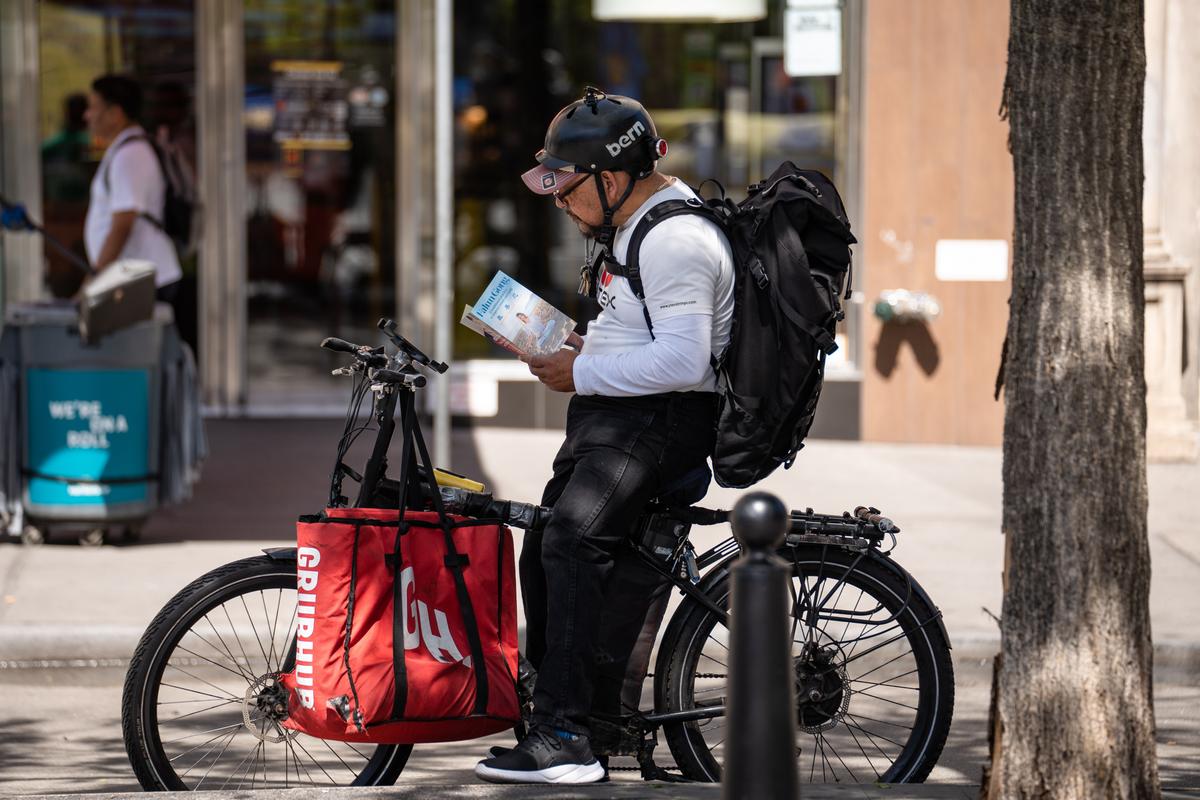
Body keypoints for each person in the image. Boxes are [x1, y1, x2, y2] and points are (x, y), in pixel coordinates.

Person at [474, 87, 734, 784]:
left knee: (571, 541)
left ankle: (567, 736)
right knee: (545, 543)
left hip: (659, 421)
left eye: (568, 187)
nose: (560, 202)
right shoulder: (634, 227)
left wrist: (580, 369)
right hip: (622, 417)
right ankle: (575, 713)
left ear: (612, 179)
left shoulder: (677, 237)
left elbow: (684, 360)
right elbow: (646, 336)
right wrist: (573, 346)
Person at [82, 75, 182, 306]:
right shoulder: (126, 150)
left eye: (93, 107)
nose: (87, 116)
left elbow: (122, 226)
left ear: (115, 113)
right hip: (135, 279)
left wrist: (93, 281)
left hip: (141, 282)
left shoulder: (130, 155)